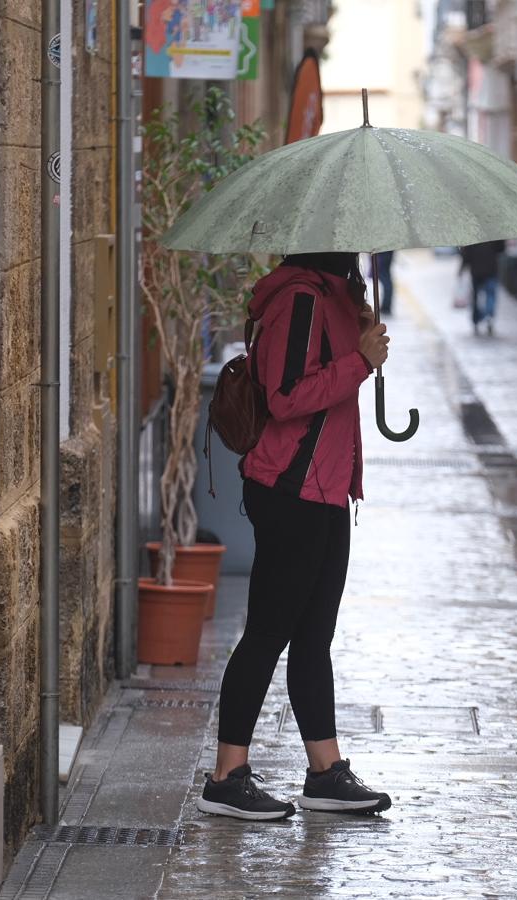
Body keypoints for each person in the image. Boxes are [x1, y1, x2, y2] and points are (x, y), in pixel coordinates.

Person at [196, 252, 393, 821]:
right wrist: (359, 360)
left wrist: (359, 338)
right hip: (289, 489)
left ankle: (325, 773)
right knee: (266, 633)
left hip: (328, 489)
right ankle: (226, 777)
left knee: (314, 636)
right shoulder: (298, 299)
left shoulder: (337, 294)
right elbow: (285, 397)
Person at [459, 239, 504, 336]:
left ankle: (476, 320)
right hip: (491, 268)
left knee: (476, 297)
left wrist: (462, 268)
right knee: (490, 294)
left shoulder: (472, 232)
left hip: (476, 270)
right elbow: (501, 248)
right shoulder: (494, 232)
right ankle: (489, 316)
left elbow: (466, 254)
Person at [373, 250, 395, 315]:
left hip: (384, 251)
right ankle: (386, 305)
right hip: (387, 251)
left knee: (385, 277)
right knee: (385, 276)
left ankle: (386, 306)